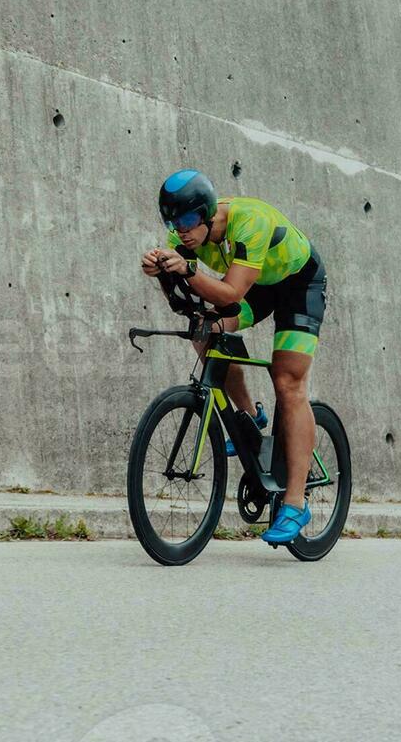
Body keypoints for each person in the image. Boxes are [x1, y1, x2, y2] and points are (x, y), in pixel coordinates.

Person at [138, 169, 327, 545]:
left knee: (287, 382)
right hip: (256, 286)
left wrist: (188, 269)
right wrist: (160, 272)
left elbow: (229, 294)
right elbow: (186, 300)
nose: (182, 230)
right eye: (173, 222)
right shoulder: (181, 236)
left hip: (297, 286)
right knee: (204, 330)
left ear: (207, 213)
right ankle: (249, 418)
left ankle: (294, 501)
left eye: (189, 220)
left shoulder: (250, 222)